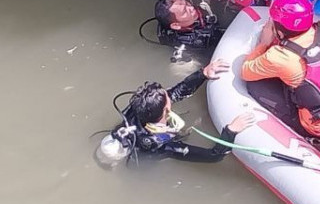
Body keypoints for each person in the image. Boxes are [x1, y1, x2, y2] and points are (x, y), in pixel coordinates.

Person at [240, 0, 320, 139]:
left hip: (318, 126)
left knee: (255, 86)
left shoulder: (277, 56)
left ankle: (303, 135)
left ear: (280, 33)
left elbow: (245, 71)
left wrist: (264, 43)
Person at [97, 58, 255, 165]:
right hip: (144, 157)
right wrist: (231, 130)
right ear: (166, 108)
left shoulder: (138, 107)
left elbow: (175, 93)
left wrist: (203, 74)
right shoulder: (160, 145)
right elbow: (214, 156)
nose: (170, 95)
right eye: (168, 98)